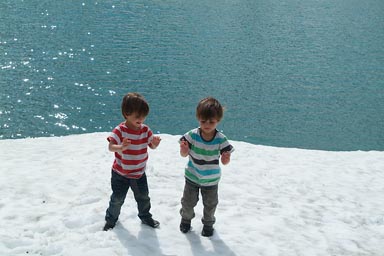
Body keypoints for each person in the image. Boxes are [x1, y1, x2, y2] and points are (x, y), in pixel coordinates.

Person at [103, 92, 161, 231]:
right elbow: (111, 147)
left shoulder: (145, 130)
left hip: (139, 173)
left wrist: (155, 143)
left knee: (143, 198)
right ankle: (111, 219)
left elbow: (151, 146)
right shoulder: (120, 130)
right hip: (120, 173)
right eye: (137, 116)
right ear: (126, 114)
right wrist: (121, 147)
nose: (141, 119)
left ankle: (145, 216)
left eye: (143, 116)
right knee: (117, 199)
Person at [179, 97, 234, 237]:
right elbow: (183, 155)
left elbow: (225, 162)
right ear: (198, 118)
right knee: (188, 202)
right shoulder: (192, 135)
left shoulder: (221, 139)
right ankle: (186, 220)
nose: (207, 125)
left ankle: (208, 225)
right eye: (203, 121)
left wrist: (225, 158)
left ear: (218, 120)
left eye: (212, 122)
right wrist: (184, 150)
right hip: (192, 176)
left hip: (211, 179)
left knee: (210, 205)